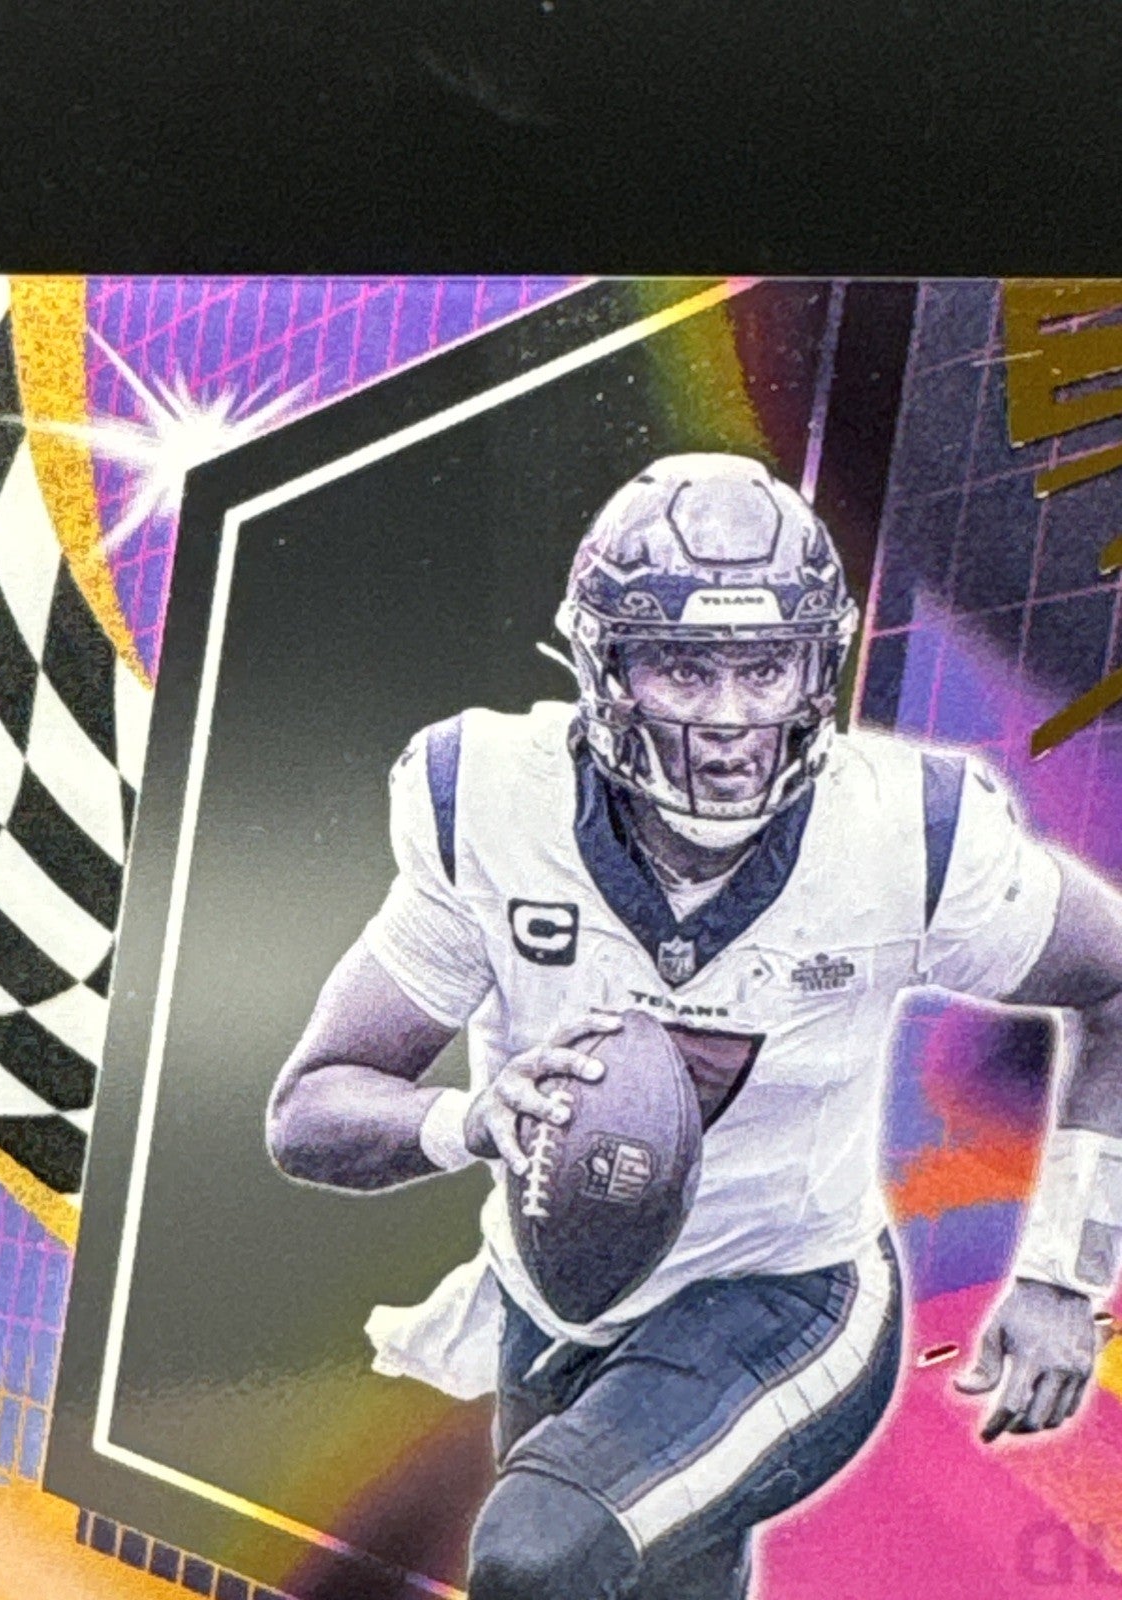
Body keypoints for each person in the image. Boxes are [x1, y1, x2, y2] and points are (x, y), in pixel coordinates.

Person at [264, 453, 1122, 1600]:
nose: (727, 721)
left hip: (786, 1296)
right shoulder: (494, 806)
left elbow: (1112, 985)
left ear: (816, 667)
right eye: (681, 666)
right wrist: (466, 1120)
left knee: (536, 1553)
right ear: (604, 667)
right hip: (551, 1300)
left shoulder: (904, 834)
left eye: (763, 668)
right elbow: (311, 1107)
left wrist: (1066, 1271)